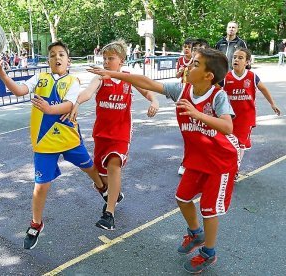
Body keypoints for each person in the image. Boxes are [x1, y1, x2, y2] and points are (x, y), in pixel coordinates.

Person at [88, 48, 240, 274]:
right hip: (197, 159)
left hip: (221, 162)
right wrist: (114, 74)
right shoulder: (182, 89)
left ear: (209, 76)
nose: (188, 66)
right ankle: (196, 234)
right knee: (182, 198)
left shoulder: (217, 96)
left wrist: (197, 114)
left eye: (196, 64)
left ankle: (209, 252)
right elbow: (146, 82)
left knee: (208, 209)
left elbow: (228, 126)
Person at [0, 40, 106, 250]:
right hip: (44, 143)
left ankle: (101, 186)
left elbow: (69, 105)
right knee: (40, 187)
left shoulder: (73, 80)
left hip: (68, 137)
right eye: (52, 55)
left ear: (68, 60)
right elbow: (19, 90)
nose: (57, 57)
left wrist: (49, 109)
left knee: (88, 166)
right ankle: (36, 223)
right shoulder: (39, 78)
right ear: (48, 61)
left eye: (61, 54)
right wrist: (1, 73)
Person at [65, 39, 159, 230]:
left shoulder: (127, 78)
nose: (107, 62)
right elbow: (87, 93)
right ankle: (112, 194)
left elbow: (147, 91)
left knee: (114, 164)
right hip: (102, 133)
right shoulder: (100, 78)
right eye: (104, 59)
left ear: (122, 60)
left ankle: (109, 214)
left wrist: (154, 101)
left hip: (121, 132)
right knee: (103, 178)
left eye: (111, 58)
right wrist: (77, 102)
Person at [222, 47, 281, 169]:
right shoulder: (226, 77)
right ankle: (227, 165)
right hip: (229, 116)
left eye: (240, 57)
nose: (236, 59)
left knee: (240, 144)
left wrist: (272, 103)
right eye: (234, 57)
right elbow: (215, 92)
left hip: (246, 117)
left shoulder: (252, 77)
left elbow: (263, 89)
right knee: (227, 143)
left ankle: (235, 168)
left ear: (247, 62)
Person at [176, 38, 210, 176]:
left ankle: (205, 162)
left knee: (205, 134)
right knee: (191, 134)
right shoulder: (187, 65)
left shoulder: (211, 69)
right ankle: (187, 162)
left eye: (200, 49)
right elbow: (152, 85)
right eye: (194, 49)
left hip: (205, 102)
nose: (196, 51)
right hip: (187, 95)